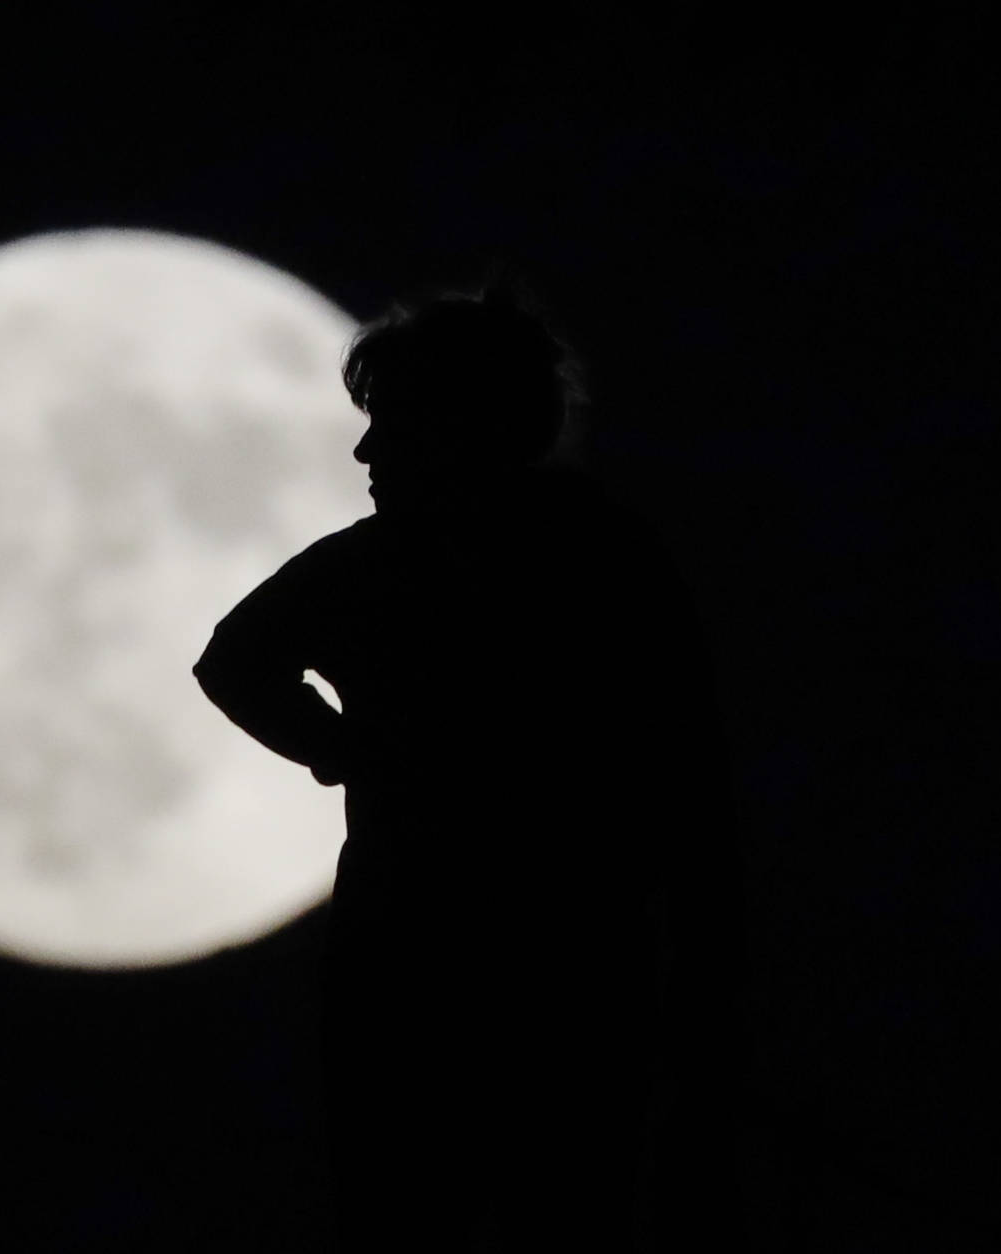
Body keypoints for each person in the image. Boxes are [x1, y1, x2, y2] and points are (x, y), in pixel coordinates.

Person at [193, 273, 743, 1251]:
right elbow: (689, 768)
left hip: (515, 967)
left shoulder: (550, 560)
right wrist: (345, 748)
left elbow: (684, 769)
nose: (365, 448)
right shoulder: (596, 555)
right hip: (495, 967)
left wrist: (350, 749)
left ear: (460, 421)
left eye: (392, 420)